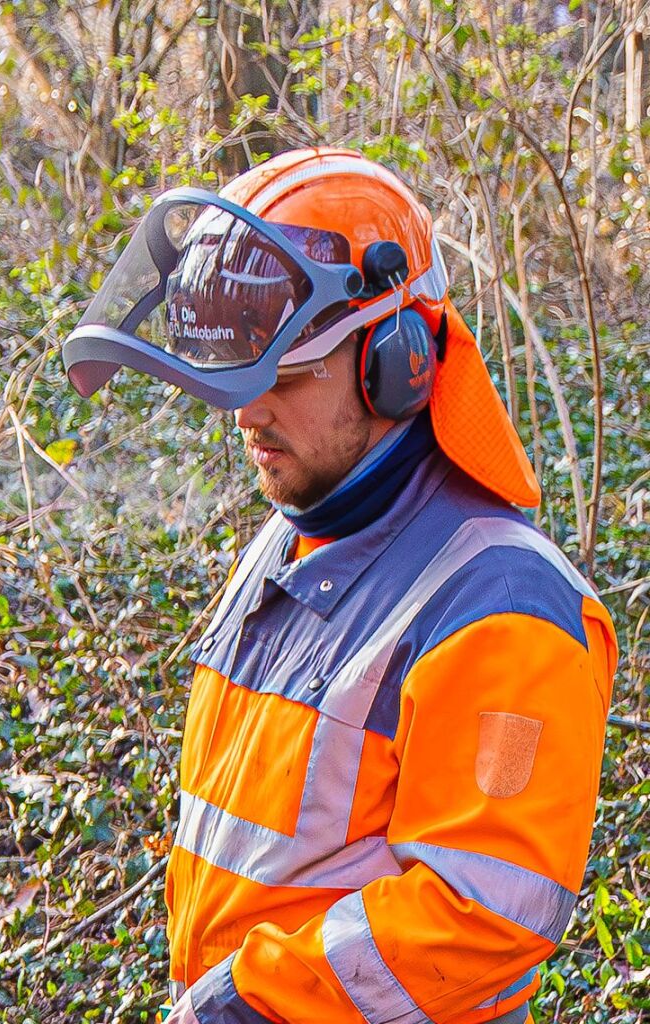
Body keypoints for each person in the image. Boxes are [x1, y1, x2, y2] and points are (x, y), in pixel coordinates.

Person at [63, 147, 617, 1024]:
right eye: (234, 377)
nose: (245, 413)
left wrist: (248, 1002)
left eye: (281, 374)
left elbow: (482, 917)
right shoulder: (295, 534)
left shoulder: (504, 609)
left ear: (394, 361)